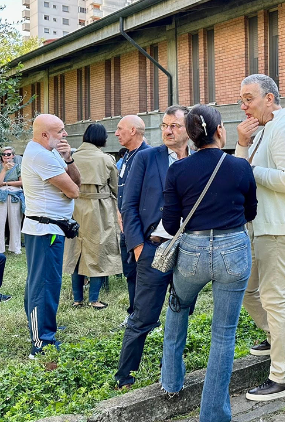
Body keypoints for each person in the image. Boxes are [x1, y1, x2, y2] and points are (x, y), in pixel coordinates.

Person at [160, 105, 257, 421]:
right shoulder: (241, 167)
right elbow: (251, 212)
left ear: (190, 135)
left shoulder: (178, 170)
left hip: (192, 252)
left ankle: (172, 380)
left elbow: (171, 224)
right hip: (233, 249)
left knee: (177, 305)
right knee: (224, 333)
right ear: (220, 131)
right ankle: (213, 414)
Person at [235, 74, 285, 401]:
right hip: (260, 227)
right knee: (250, 292)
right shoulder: (264, 130)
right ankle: (278, 339)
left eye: (248, 98)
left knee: (275, 299)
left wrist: (253, 171)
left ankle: (284, 376)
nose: (243, 105)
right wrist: (242, 144)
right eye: (242, 99)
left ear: (270, 97)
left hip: (279, 228)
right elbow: (239, 173)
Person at [116, 105, 192, 389]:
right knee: (143, 316)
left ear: (189, 129)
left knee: (180, 311)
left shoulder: (197, 159)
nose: (169, 131)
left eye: (175, 125)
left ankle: (171, 368)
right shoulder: (148, 158)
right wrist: (137, 247)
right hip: (152, 248)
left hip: (187, 251)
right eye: (164, 125)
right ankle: (125, 377)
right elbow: (129, 205)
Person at [21, 114, 81, 358]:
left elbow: (75, 181)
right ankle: (41, 341)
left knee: (45, 283)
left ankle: (45, 327)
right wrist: (68, 188)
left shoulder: (50, 152)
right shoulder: (41, 156)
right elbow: (75, 191)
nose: (65, 134)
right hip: (45, 230)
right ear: (45, 134)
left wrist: (68, 159)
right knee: (43, 286)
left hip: (50, 229)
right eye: (60, 131)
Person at [63, 123, 121, 310]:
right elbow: (115, 186)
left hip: (75, 207)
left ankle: (77, 299)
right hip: (98, 209)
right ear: (102, 139)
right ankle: (94, 299)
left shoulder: (71, 158)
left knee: (76, 252)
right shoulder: (106, 159)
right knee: (98, 251)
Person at [115, 115, 150, 322]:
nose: (116, 133)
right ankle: (133, 314)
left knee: (143, 274)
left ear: (133, 131)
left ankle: (145, 317)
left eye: (120, 129)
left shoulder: (148, 155)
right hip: (125, 226)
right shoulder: (127, 156)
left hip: (140, 227)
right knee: (131, 272)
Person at [0, 147, 24, 254]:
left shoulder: (18, 167)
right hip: (0, 195)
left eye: (8, 154)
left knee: (15, 221)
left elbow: (21, 182)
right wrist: (4, 170)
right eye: (4, 154)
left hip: (15, 195)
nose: (6, 156)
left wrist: (6, 183)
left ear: (13, 155)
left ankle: (15, 247)